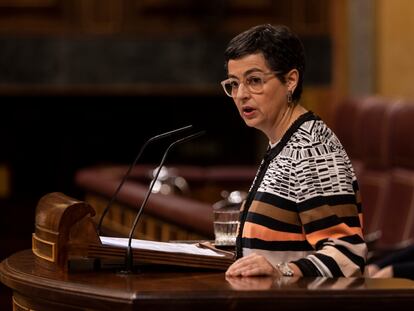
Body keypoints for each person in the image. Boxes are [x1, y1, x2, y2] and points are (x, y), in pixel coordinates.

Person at [221, 24, 367, 278]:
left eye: (254, 81)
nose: (241, 94)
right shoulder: (284, 141)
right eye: (234, 84)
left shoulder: (312, 149)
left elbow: (348, 255)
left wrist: (282, 271)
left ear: (290, 80)